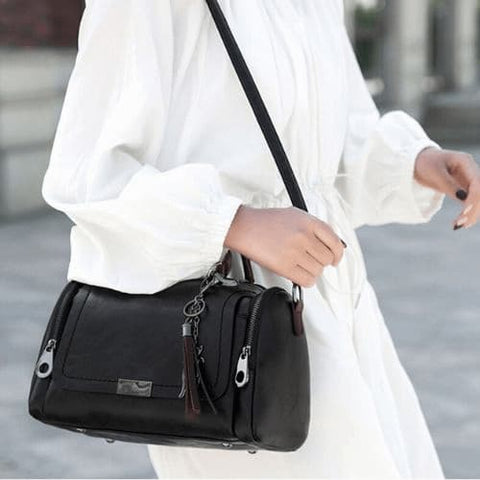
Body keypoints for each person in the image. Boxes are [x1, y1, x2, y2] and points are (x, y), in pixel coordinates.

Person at [41, 0, 480, 478]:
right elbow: (88, 173)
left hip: (326, 296)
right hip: (222, 329)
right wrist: (233, 222)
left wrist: (414, 162)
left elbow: (326, 142)